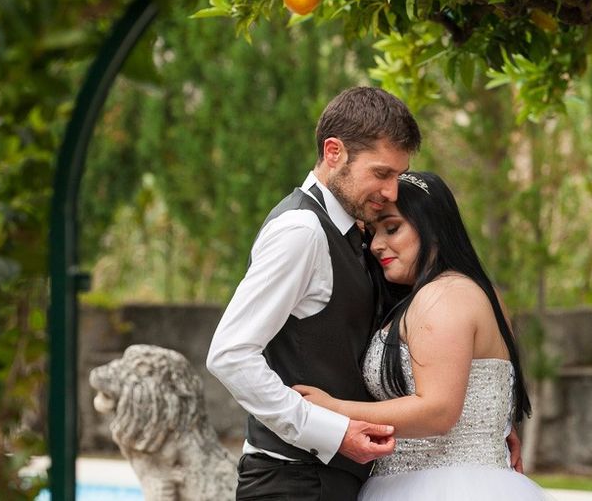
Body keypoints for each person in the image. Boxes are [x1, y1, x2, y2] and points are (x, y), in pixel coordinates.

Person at [206, 86, 422, 501]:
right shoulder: (301, 231)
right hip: (294, 483)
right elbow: (230, 355)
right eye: (381, 173)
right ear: (334, 152)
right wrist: (332, 432)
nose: (392, 191)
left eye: (398, 175)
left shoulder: (354, 230)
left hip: (327, 480)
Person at [294, 171, 550, 500]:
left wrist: (333, 409)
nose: (375, 245)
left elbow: (438, 410)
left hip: (442, 486)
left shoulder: (444, 296)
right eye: (372, 232)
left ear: (434, 227)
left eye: (392, 228)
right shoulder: (470, 291)